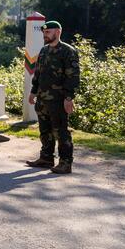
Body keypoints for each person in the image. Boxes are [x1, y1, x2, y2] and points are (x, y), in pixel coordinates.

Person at [25, 21, 80, 175]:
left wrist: (69, 98)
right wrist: (33, 91)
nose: (45, 35)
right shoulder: (43, 51)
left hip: (58, 100)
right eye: (44, 32)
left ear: (58, 32)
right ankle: (46, 158)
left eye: (48, 32)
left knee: (61, 131)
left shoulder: (68, 52)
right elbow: (38, 74)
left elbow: (73, 77)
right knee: (45, 130)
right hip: (42, 99)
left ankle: (65, 163)